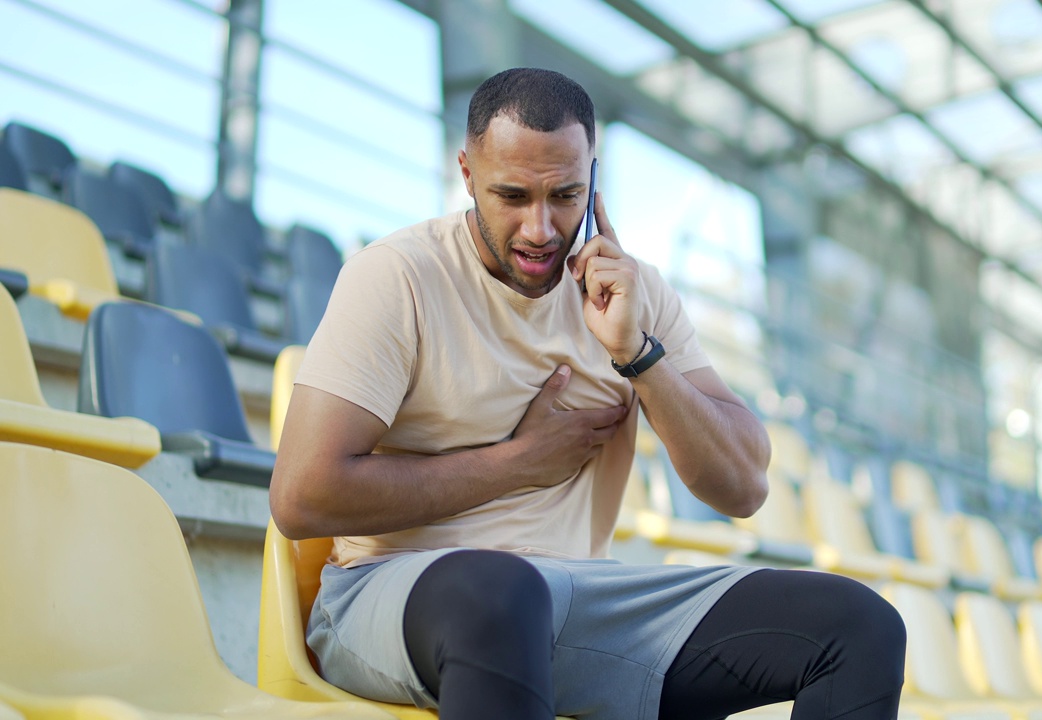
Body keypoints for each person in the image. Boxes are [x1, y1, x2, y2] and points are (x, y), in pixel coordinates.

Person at [270, 67, 905, 720]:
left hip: (575, 594)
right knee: (502, 593)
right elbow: (301, 495)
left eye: (566, 194)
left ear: (594, 177)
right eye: (512, 195)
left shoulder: (637, 294)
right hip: (395, 595)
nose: (540, 228)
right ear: (466, 173)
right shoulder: (398, 276)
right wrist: (516, 464)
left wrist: (637, 354)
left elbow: (742, 485)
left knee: (858, 625)